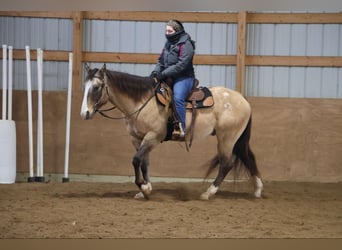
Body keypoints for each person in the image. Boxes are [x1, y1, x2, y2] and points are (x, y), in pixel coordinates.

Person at [151, 20, 196, 138]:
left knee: (178, 97)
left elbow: (182, 65)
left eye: (169, 31)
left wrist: (164, 73)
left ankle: (181, 127)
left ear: (177, 31)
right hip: (168, 76)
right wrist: (156, 71)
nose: (167, 33)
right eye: (166, 31)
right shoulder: (168, 43)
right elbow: (160, 60)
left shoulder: (186, 45)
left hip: (184, 77)